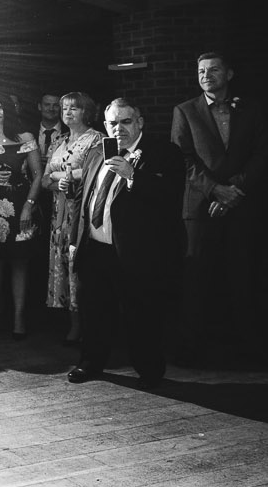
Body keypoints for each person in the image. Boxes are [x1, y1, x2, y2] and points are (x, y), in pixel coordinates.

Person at [67, 100, 185, 387]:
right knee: (93, 309)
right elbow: (84, 200)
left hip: (136, 252)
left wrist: (133, 175)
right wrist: (74, 241)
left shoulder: (163, 153)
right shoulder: (98, 152)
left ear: (140, 122)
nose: (118, 129)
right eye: (112, 123)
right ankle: (90, 363)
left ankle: (149, 370)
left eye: (126, 122)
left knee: (141, 314)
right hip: (95, 247)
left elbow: (171, 197)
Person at [171, 51, 268, 356]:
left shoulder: (252, 109)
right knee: (197, 279)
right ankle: (193, 348)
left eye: (213, 70)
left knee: (242, 275)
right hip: (201, 207)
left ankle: (247, 347)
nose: (206, 75)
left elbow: (262, 153)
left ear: (229, 74)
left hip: (241, 203)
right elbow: (183, 158)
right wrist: (215, 190)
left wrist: (234, 191)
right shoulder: (185, 110)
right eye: (201, 71)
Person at [0, 94, 42, 338]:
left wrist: (28, 206)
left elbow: (37, 175)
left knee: (20, 264)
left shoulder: (26, 138)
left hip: (22, 205)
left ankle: (18, 320)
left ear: (10, 108)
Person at [43, 91, 102, 344]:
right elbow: (45, 178)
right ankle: (71, 323)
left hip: (80, 212)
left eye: (74, 108)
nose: (67, 112)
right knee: (62, 265)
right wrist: (57, 180)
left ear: (85, 112)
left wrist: (69, 177)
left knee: (79, 268)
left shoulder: (96, 138)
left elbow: (97, 169)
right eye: (64, 108)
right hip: (58, 214)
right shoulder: (58, 140)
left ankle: (87, 326)